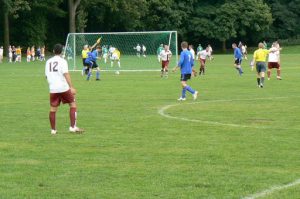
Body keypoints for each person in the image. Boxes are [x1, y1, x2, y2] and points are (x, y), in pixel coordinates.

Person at [45, 43, 84, 134]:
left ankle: (53, 130)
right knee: (73, 104)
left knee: (53, 109)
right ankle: (72, 127)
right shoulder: (63, 61)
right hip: (63, 88)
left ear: (54, 51)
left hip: (53, 88)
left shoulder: (48, 61)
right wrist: (71, 87)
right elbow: (66, 74)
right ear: (62, 52)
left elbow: (46, 76)